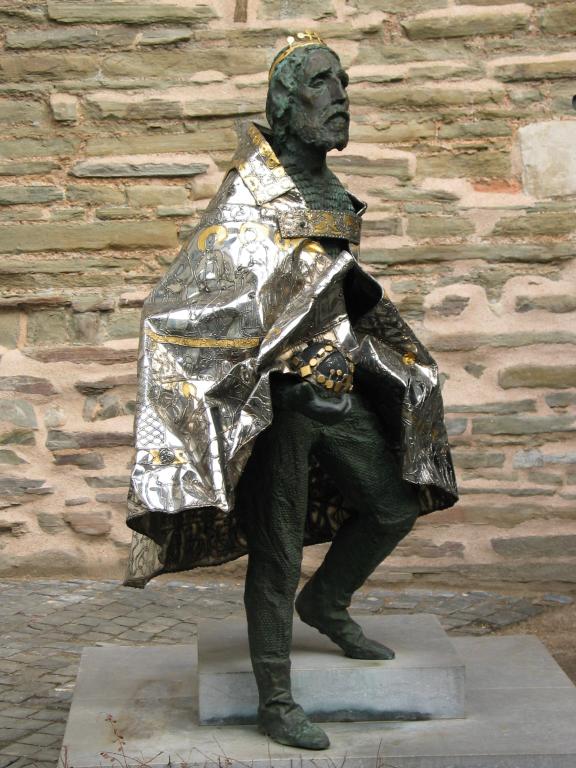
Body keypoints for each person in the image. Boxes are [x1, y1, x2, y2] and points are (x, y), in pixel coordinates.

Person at [124, 32, 458, 752]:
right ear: (285, 105)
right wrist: (261, 369)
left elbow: (327, 291)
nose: (342, 97)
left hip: (340, 389)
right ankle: (276, 699)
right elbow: (184, 304)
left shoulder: (332, 191)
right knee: (275, 554)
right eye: (323, 84)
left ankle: (327, 601)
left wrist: (370, 356)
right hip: (278, 406)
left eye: (344, 83)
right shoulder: (250, 196)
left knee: (394, 504)